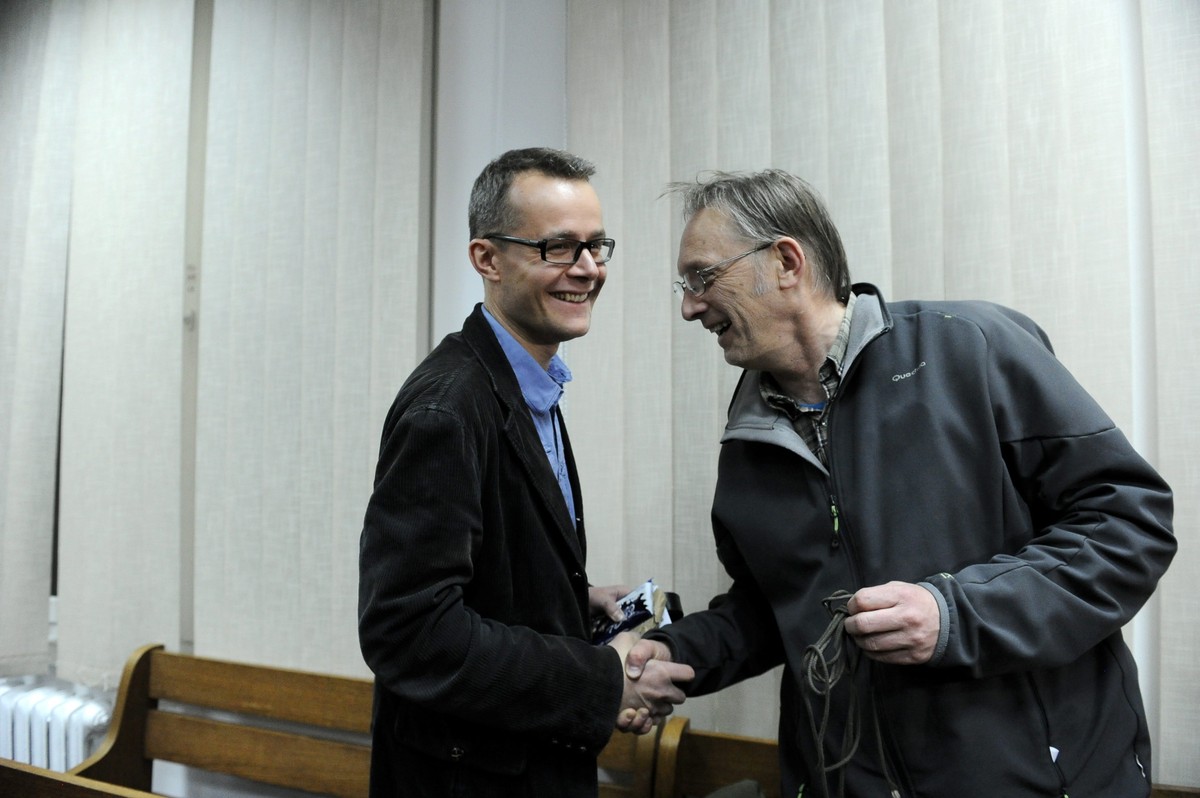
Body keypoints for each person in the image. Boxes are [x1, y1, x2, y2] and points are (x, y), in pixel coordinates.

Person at [625, 168, 1176, 798]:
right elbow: (777, 606)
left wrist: (955, 614)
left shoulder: (971, 347)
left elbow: (1127, 524)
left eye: (702, 277)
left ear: (785, 262)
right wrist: (679, 653)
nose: (690, 306)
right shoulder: (748, 442)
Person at [359, 147, 692, 798]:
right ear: (487, 259)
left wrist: (569, 600)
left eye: (597, 246)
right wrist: (602, 680)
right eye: (558, 248)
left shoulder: (528, 385)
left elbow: (481, 575)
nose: (588, 268)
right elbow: (410, 634)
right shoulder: (447, 410)